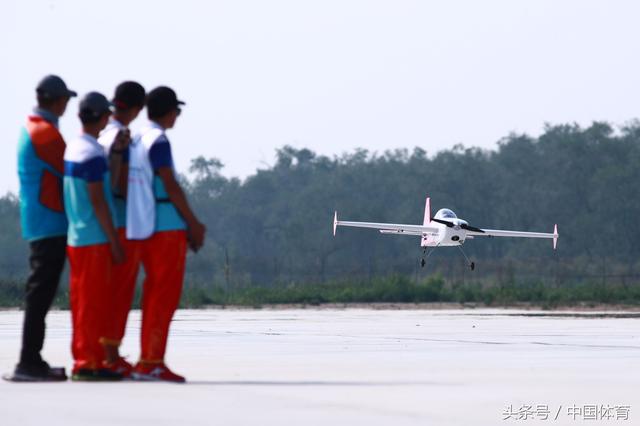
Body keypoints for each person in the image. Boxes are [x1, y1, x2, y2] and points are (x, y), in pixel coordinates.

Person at [127, 86, 205, 383]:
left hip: (142, 223)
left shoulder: (137, 139)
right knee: (164, 295)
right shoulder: (158, 141)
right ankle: (152, 361)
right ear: (170, 112)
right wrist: (193, 222)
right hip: (165, 227)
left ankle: (148, 357)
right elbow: (171, 185)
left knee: (152, 294)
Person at [6, 75, 76, 382]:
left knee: (41, 293)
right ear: (57, 100)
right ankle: (29, 361)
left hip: (43, 220)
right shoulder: (45, 133)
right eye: (65, 100)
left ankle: (32, 359)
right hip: (50, 221)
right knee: (40, 294)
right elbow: (72, 169)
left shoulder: (34, 127)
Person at [63, 92, 124, 381]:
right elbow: (99, 201)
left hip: (77, 237)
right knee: (93, 303)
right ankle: (89, 362)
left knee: (82, 302)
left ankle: (86, 355)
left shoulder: (75, 147)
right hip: (95, 239)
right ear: (102, 117)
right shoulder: (91, 154)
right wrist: (114, 241)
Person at [97, 81, 146, 377]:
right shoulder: (122, 137)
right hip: (122, 221)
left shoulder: (101, 133)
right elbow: (121, 182)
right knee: (120, 291)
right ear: (138, 108)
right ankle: (111, 354)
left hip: (102, 222)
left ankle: (106, 350)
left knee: (106, 291)